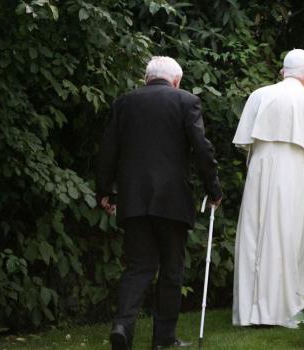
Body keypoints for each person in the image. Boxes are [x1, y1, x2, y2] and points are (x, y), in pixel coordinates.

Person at [96, 56, 222, 350]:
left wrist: (104, 191)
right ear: (176, 80)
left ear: (146, 78)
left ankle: (122, 326)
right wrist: (213, 189)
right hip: (172, 199)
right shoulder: (186, 101)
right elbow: (202, 149)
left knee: (138, 266)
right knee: (171, 268)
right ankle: (163, 338)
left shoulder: (124, 103)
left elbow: (107, 151)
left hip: (133, 198)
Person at [232, 49, 304, 328]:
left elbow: (247, 144)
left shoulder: (259, 95)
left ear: (284, 71)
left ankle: (252, 311)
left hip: (260, 170)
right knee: (294, 239)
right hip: (297, 173)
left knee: (255, 238)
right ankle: (293, 308)